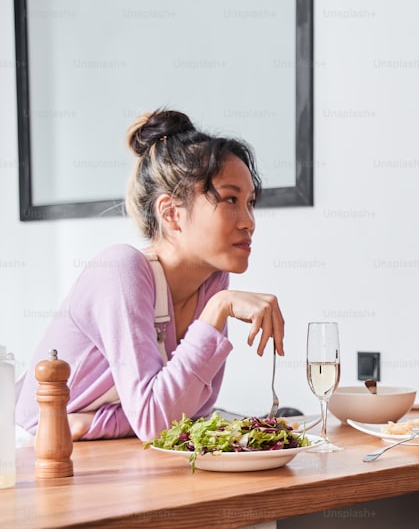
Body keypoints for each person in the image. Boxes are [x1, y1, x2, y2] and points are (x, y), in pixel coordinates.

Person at [15, 109, 284, 441]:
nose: (249, 221)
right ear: (171, 213)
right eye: (230, 199)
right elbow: (157, 422)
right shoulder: (120, 270)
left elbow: (192, 412)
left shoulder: (212, 280)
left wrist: (96, 424)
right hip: (35, 456)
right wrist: (218, 309)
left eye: (250, 202)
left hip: (107, 451)